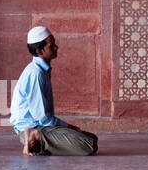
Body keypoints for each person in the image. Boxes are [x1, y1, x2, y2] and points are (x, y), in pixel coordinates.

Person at [8, 25, 99, 156]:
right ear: (39, 51)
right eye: (51, 46)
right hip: (33, 129)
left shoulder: (41, 70)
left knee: (92, 138)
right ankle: (35, 138)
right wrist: (66, 127)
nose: (56, 47)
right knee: (88, 145)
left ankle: (42, 144)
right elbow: (42, 117)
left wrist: (67, 128)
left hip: (43, 126)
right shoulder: (35, 73)